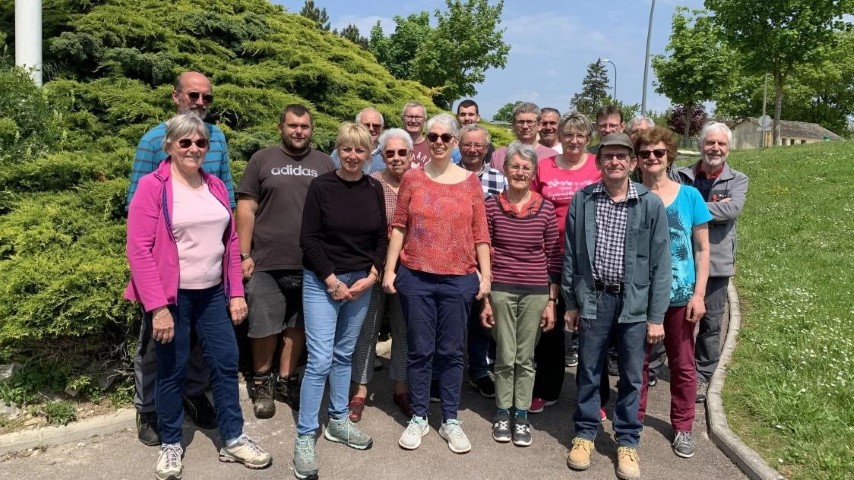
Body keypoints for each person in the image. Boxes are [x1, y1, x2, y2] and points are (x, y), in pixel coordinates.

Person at [125, 114, 272, 480]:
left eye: (200, 143)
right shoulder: (152, 186)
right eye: (185, 142)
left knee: (225, 363)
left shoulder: (216, 187)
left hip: (211, 295)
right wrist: (157, 308)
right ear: (170, 145)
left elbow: (232, 241)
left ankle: (234, 438)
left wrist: (236, 291)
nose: (193, 149)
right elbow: (139, 250)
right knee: (172, 370)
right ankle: (171, 443)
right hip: (172, 297)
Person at [127, 71, 233, 446]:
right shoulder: (152, 139)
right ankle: (149, 409)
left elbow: (226, 199)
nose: (201, 103)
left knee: (203, 347)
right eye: (193, 95)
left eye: (207, 97)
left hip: (209, 268)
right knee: (157, 346)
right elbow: (136, 205)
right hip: (166, 273)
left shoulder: (217, 137)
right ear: (176, 97)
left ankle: (193, 394)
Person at [563, 133, 671, 480]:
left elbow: (661, 264)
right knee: (589, 370)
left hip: (634, 301)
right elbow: (571, 254)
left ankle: (627, 441)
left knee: (631, 373)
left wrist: (656, 316)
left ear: (633, 163)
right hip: (593, 297)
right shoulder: (583, 200)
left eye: (621, 157)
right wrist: (570, 302)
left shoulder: (649, 203)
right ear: (599, 162)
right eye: (608, 156)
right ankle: (584, 433)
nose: (614, 162)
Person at [383, 113, 491, 454]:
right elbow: (399, 226)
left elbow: (480, 233)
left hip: (459, 278)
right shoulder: (413, 179)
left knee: (451, 351)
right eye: (433, 136)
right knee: (419, 350)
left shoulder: (470, 182)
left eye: (446, 137)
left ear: (456, 142)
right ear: (426, 141)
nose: (439, 142)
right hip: (415, 275)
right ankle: (418, 416)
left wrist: (485, 275)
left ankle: (449, 419)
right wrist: (389, 270)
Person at [293, 123, 389, 480]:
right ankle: (305, 436)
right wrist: (331, 280)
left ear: (369, 154)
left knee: (344, 354)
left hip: (361, 282)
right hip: (323, 280)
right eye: (346, 149)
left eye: (360, 151)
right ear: (338, 150)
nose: (352, 156)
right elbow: (309, 238)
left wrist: (373, 274)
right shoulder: (321, 186)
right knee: (319, 360)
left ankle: (336, 421)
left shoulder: (374, 187)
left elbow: (382, 235)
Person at [236, 104, 335, 419]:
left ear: (312, 129)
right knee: (263, 326)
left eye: (305, 126)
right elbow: (247, 207)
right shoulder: (262, 160)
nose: (299, 131)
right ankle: (262, 383)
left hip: (311, 263)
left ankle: (286, 380)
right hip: (266, 259)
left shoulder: (324, 162)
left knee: (298, 326)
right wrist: (244, 253)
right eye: (293, 125)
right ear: (281, 127)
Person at [634, 127, 712, 459]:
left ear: (670, 156)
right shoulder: (630, 194)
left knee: (682, 364)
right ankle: (631, 422)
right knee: (635, 363)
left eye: (659, 152)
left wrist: (699, 295)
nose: (652, 158)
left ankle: (682, 426)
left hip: (681, 295)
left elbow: (703, 250)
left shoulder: (690, 196)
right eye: (645, 153)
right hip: (638, 293)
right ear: (636, 159)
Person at [480, 142, 561, 447]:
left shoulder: (546, 208)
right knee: (504, 355)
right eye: (514, 166)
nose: (519, 172)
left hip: (536, 292)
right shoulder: (490, 206)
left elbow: (553, 257)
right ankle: (503, 411)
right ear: (505, 170)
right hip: (500, 289)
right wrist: (485, 299)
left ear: (533, 173)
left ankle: (522, 414)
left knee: (525, 357)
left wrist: (552, 302)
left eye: (526, 168)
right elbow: (484, 251)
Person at [529, 112, 601, 414]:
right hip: (550, 256)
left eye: (580, 135)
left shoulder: (598, 165)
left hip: (590, 258)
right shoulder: (543, 166)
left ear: (588, 139)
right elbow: (530, 205)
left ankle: (595, 398)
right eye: (568, 134)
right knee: (551, 328)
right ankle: (547, 389)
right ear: (559, 136)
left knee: (593, 330)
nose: (573, 140)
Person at [677, 122, 748, 403]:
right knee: (671, 316)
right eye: (710, 143)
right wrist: (706, 207)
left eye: (721, 144)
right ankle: (659, 368)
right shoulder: (680, 174)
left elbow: (732, 209)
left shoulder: (738, 179)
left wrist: (688, 206)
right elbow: (668, 202)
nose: (715, 148)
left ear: (728, 149)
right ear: (700, 146)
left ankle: (703, 374)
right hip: (680, 259)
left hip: (716, 262)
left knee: (711, 322)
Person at [348, 128, 414, 422]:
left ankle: (400, 388)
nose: (397, 158)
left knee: (404, 332)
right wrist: (376, 268)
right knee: (367, 330)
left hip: (410, 270)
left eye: (402, 152)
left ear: (412, 155)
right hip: (374, 267)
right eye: (390, 153)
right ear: (382, 156)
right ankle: (360, 390)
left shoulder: (421, 183)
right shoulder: (372, 183)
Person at [457, 123, 504, 399]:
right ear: (459, 146)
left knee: (481, 321)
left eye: (478, 145)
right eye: (467, 144)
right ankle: (444, 373)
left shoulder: (500, 179)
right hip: (453, 258)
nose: (473, 150)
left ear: (486, 149)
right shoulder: (447, 175)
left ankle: (478, 371)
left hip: (485, 259)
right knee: (451, 322)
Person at [491, 102, 559, 167]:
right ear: (513, 125)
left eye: (530, 122)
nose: (525, 126)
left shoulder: (552, 156)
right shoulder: (499, 156)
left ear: (539, 125)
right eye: (520, 122)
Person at [331, 107, 386, 174]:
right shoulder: (339, 153)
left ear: (382, 128)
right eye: (366, 125)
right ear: (357, 126)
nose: (371, 129)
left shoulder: (388, 154)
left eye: (376, 126)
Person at [452, 99, 495, 164]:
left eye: (471, 114)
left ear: (478, 117)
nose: (467, 118)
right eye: (463, 114)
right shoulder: (447, 142)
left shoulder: (487, 147)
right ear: (457, 117)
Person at [402, 102, 431, 168]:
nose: (413, 121)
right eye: (409, 116)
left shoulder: (432, 146)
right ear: (402, 119)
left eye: (418, 117)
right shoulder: (392, 144)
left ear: (425, 121)